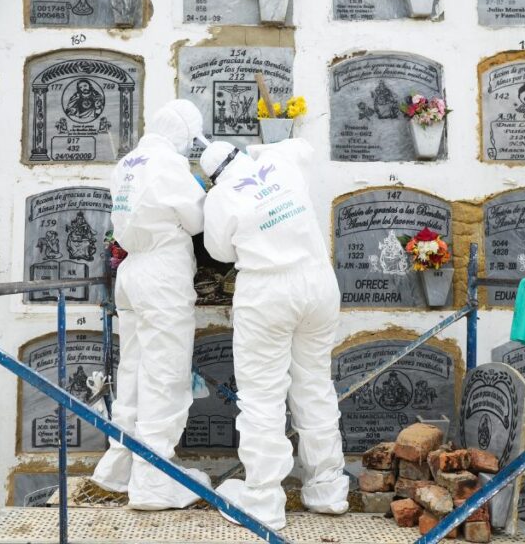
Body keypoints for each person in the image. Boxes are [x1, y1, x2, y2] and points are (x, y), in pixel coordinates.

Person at [199, 138, 348, 530]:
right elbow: (303, 146)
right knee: (314, 384)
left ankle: (264, 500)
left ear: (212, 177)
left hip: (267, 291)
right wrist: (260, 151)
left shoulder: (220, 197)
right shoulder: (280, 162)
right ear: (241, 154)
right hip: (317, 284)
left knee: (262, 395)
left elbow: (219, 252)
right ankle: (328, 488)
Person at [90, 99, 212, 509]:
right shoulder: (168, 165)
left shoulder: (127, 163)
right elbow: (196, 222)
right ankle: (155, 479)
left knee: (135, 367)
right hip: (162, 272)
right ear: (182, 133)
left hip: (133, 272)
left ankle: (120, 465)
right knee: (165, 372)